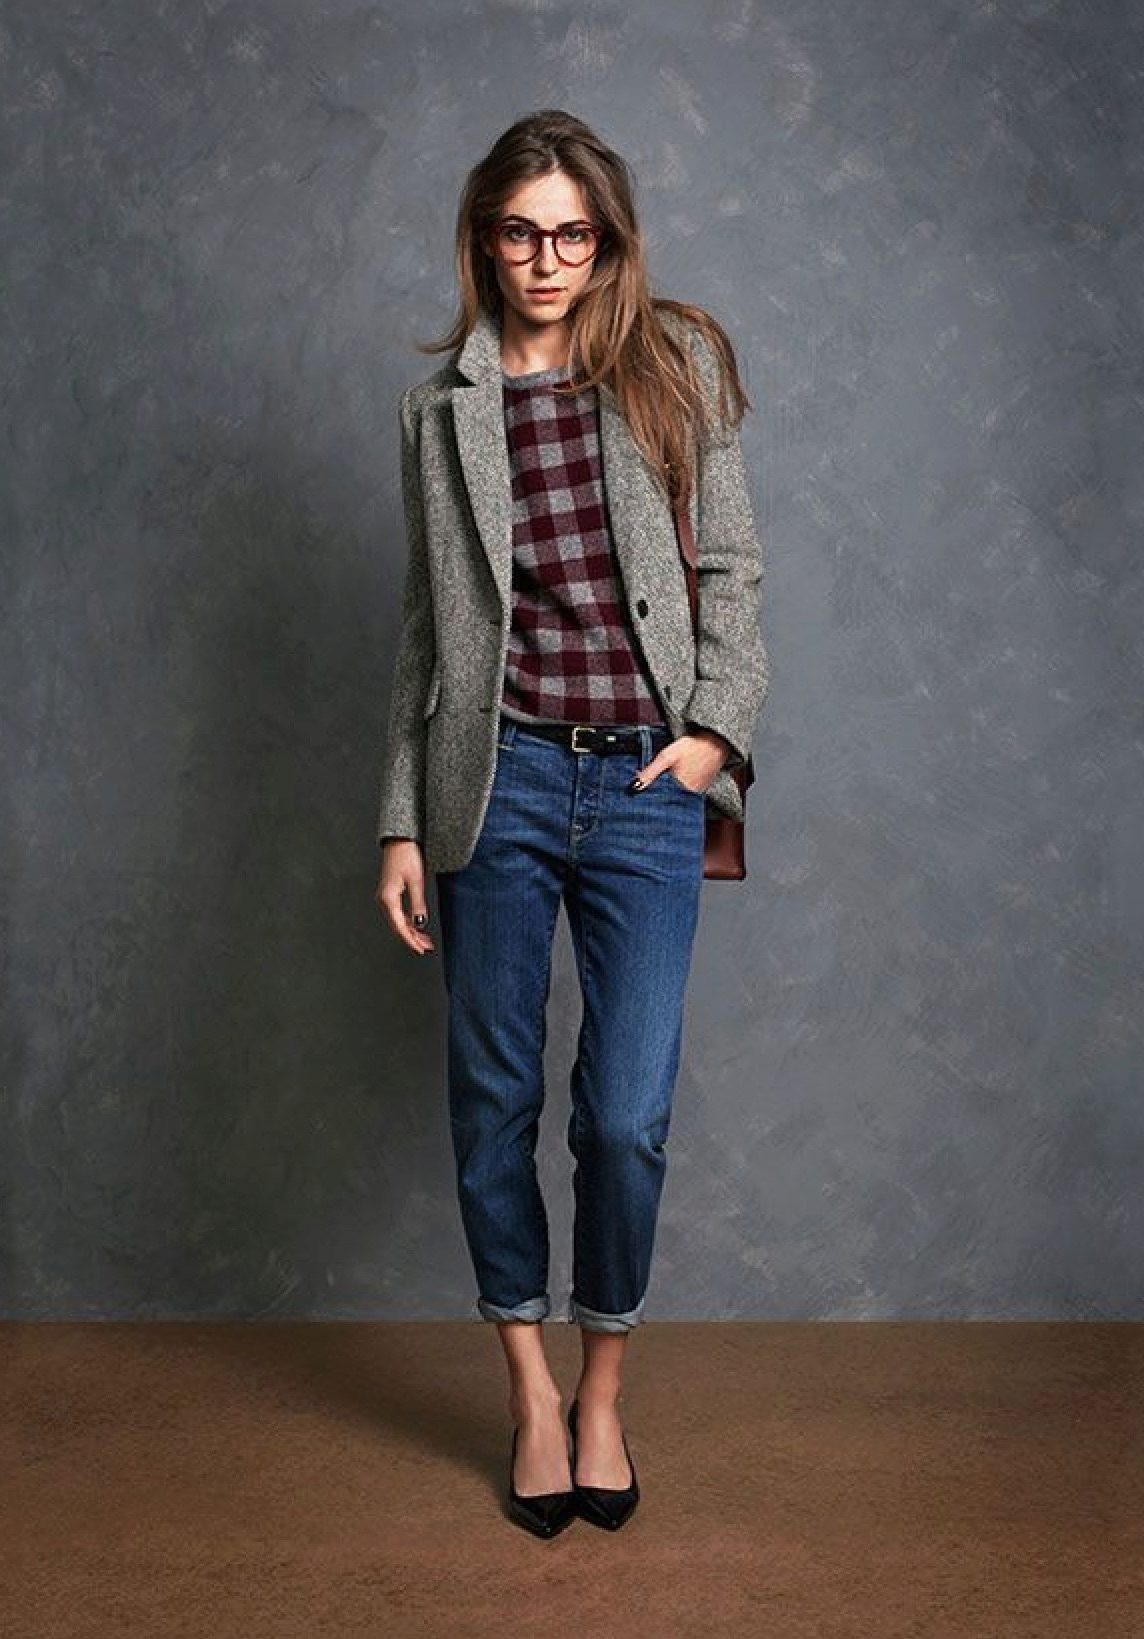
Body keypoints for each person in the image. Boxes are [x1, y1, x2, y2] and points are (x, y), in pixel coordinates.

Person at [374, 109, 769, 1537]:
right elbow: (429, 629)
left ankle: (604, 1390)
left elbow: (732, 569)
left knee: (626, 1115)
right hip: (499, 781)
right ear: (485, 239)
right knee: (493, 1098)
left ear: (608, 241)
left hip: (648, 785)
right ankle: (532, 1398)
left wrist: (715, 733)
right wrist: (400, 819)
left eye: (574, 234)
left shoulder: (674, 366)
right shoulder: (440, 413)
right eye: (521, 232)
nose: (548, 260)